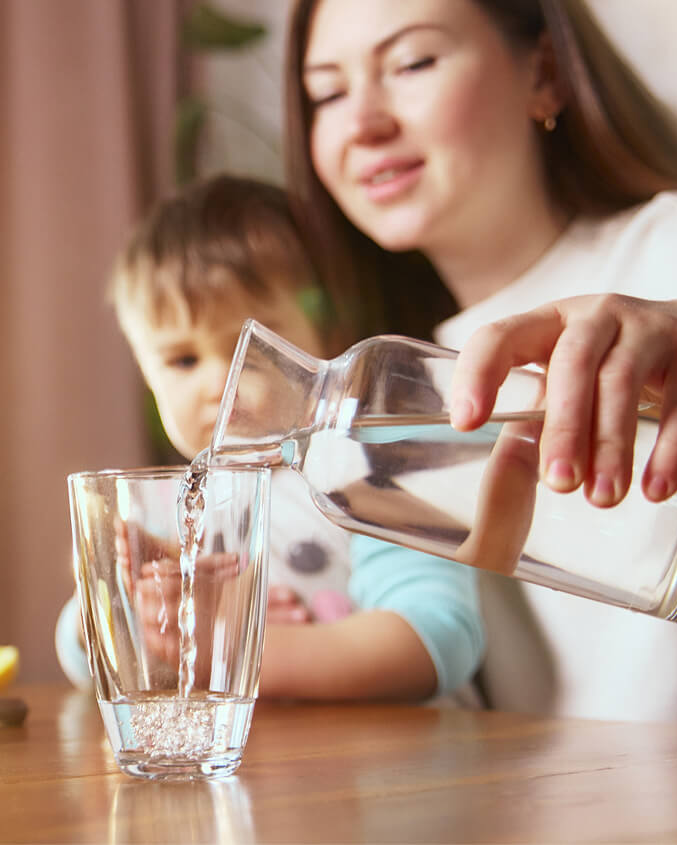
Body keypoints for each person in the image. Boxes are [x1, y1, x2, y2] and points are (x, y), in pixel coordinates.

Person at [282, 0, 677, 727]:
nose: (363, 123)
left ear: (544, 73)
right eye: (328, 92)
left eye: (410, 63)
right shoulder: (381, 399)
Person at [56, 174, 485, 704]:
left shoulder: (371, 470)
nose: (219, 382)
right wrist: (120, 599)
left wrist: (237, 650)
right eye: (183, 360)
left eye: (247, 346)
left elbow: (438, 636)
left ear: (328, 339)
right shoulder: (174, 507)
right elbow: (82, 660)